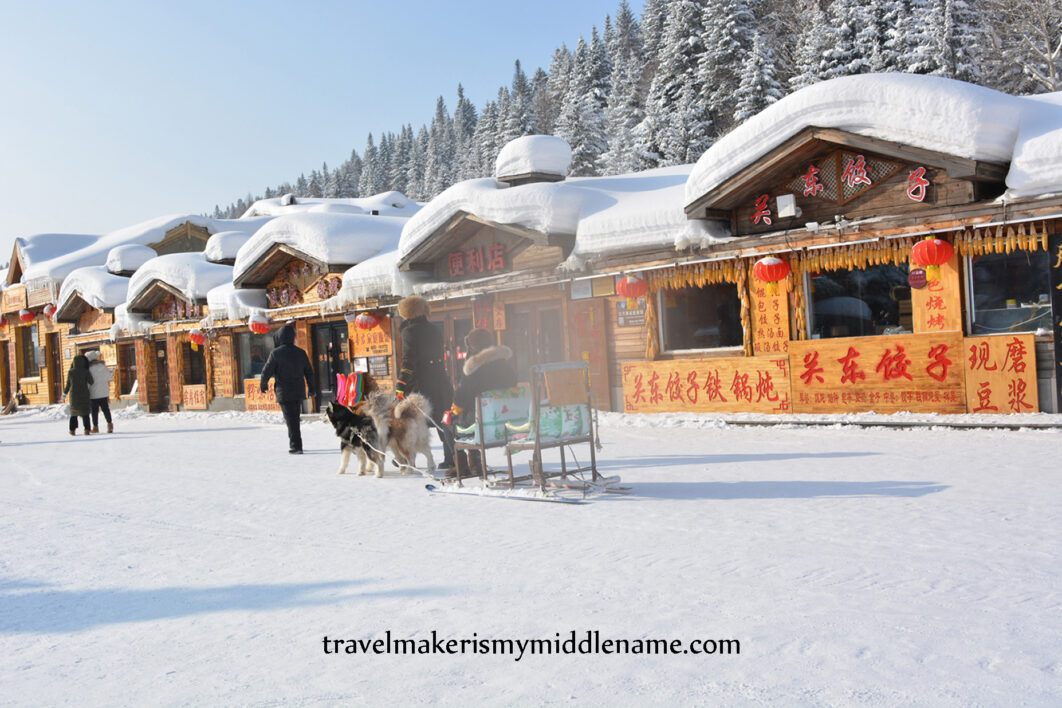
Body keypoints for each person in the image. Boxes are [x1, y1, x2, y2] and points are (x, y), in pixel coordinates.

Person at [395, 295, 455, 472]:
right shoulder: (435, 329)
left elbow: (408, 362)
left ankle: (407, 459)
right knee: (444, 421)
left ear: (407, 312)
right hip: (441, 382)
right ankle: (452, 457)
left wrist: (400, 387)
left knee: (410, 421)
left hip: (420, 385)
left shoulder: (409, 331)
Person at [448, 328, 516, 478]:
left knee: (449, 422)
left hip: (480, 420)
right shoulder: (502, 363)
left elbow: (461, 395)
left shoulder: (473, 366)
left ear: (471, 346)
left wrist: (455, 409)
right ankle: (475, 464)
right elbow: (513, 382)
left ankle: (462, 465)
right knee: (466, 419)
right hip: (502, 419)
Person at [260, 323, 315, 454]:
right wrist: (312, 388)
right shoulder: (301, 353)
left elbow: (266, 371)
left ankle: (296, 446)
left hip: (284, 392)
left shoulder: (276, 353)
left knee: (291, 419)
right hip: (298, 391)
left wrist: (263, 384)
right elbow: (309, 372)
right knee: (294, 418)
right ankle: (297, 444)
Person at [63, 354, 94, 436]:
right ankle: (87, 429)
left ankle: (72, 430)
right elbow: (91, 381)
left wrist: (64, 394)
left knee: (74, 413)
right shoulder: (85, 371)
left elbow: (68, 384)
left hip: (74, 396)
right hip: (84, 394)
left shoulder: (71, 372)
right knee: (85, 413)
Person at [85, 351, 114, 433]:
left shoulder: (89, 369)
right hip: (104, 392)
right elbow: (110, 378)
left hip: (93, 393)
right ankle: (110, 425)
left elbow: (88, 382)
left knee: (94, 411)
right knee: (106, 409)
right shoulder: (103, 367)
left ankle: (95, 427)